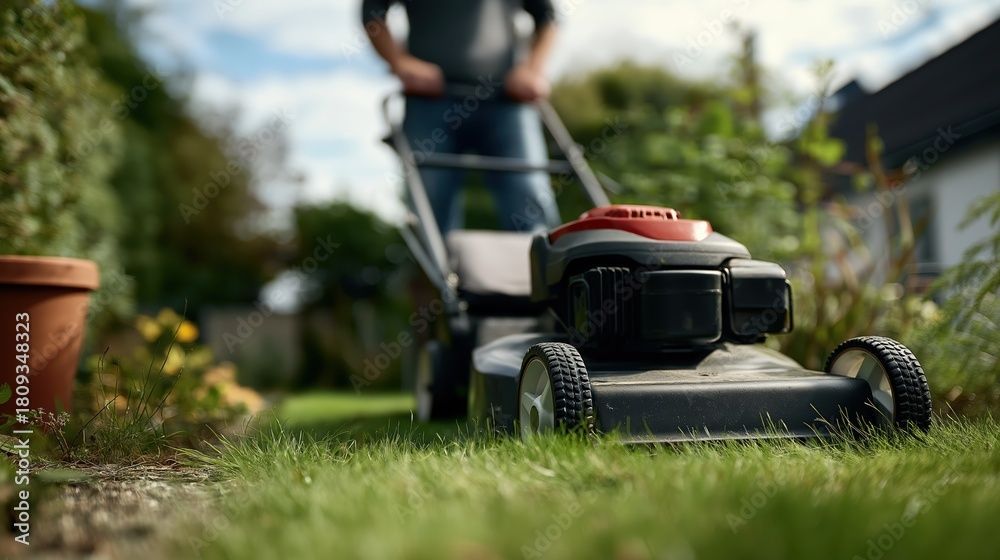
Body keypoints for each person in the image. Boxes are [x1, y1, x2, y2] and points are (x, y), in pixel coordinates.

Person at [362, 0, 562, 233]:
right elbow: (372, 12)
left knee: (528, 193)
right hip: (429, 101)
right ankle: (436, 256)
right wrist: (400, 62)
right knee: (430, 203)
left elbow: (548, 17)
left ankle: (541, 255)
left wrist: (532, 70)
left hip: (506, 101)